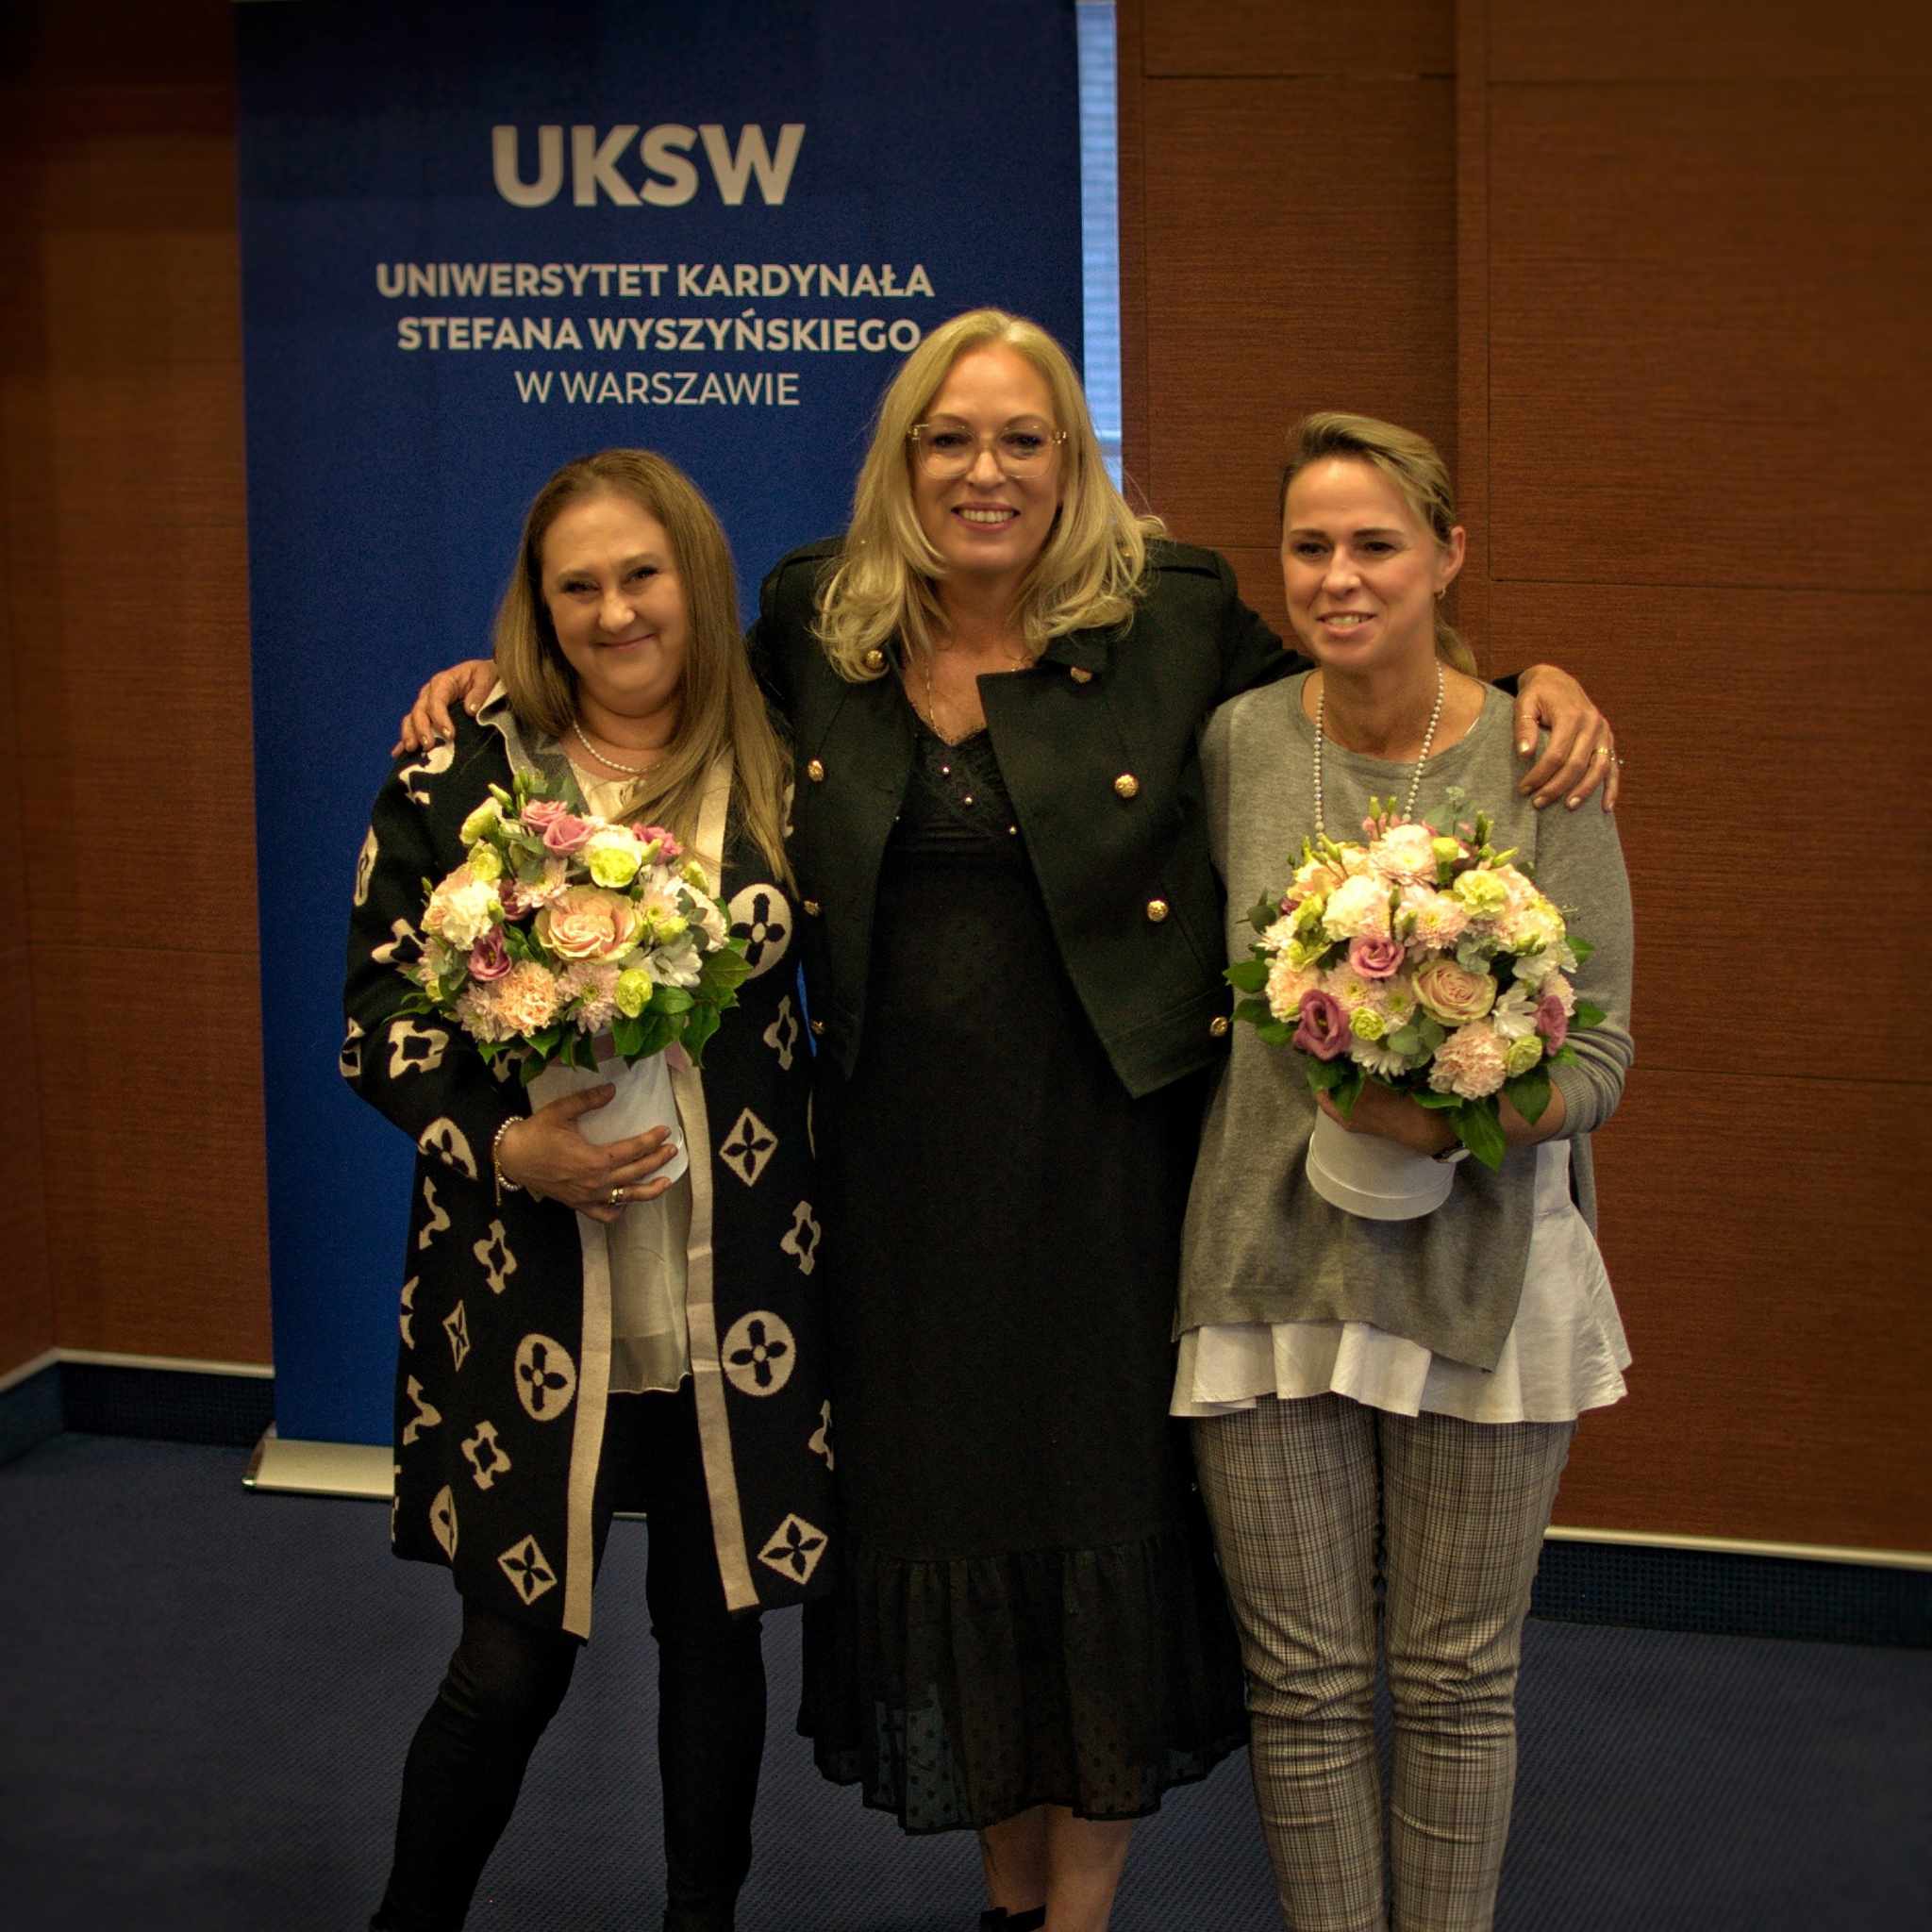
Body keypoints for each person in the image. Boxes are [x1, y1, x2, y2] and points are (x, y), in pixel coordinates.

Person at [399, 310, 1619, 1932]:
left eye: (1023, 439)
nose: (986, 471)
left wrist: (1528, 685)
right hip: (892, 1181)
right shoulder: (818, 620)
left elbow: (1368, 693)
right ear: (905, 459)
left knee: (1095, 1534)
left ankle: (1077, 1918)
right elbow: (654, 684)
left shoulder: (1171, 614)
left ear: (1072, 459)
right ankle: (1008, 1899)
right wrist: (499, 682)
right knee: (950, 1536)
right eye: (951, 439)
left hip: (1109, 1166)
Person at [346, 449, 834, 1932]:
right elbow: (379, 1028)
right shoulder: (459, 775)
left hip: (731, 1275)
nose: (617, 612)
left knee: (716, 1632)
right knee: (510, 1659)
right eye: (579, 587)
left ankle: (703, 1917)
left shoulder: (789, 755)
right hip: (526, 1283)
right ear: (538, 607)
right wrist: (508, 1145)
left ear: (697, 575)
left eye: (642, 575)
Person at [1174, 411, 1635, 1931]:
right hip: (1270, 1268)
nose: (1341, 576)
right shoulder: (1239, 743)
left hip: (1484, 1273)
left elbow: (1602, 1055)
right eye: (1310, 547)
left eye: (1376, 544)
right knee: (1302, 1685)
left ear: (1447, 558)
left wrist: (1459, 1118)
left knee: (1453, 1680)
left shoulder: (1539, 754)